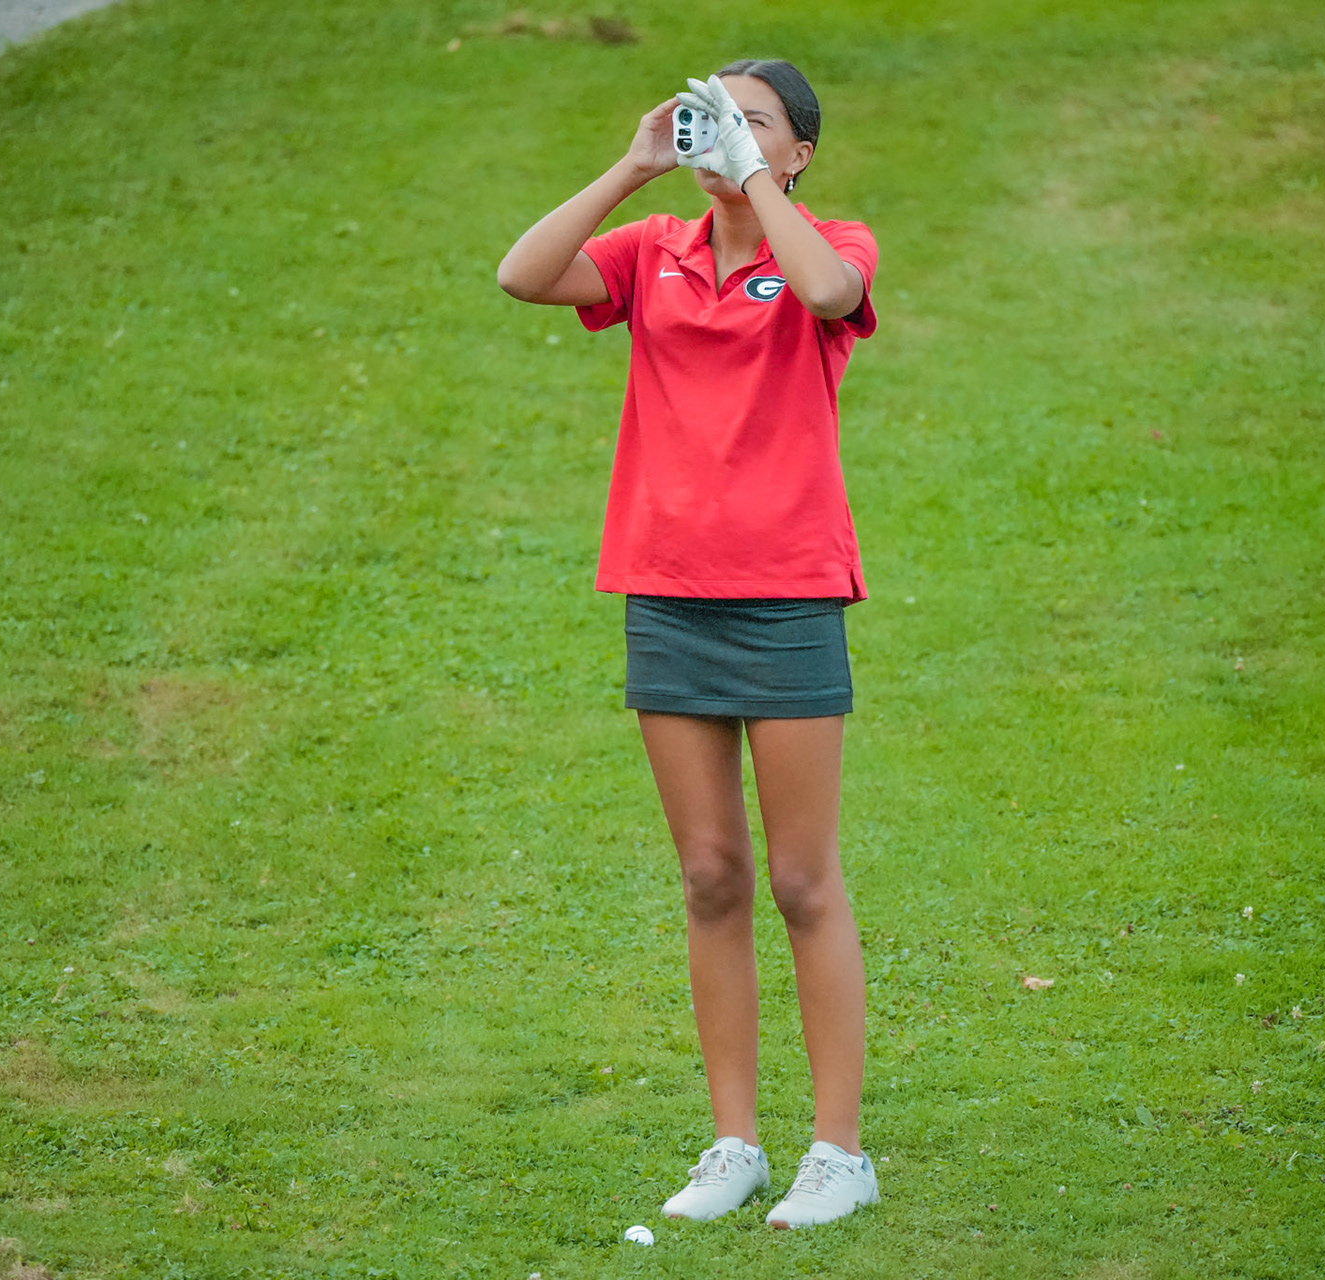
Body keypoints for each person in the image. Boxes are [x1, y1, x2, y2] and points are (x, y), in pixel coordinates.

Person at [497, 60, 880, 1230]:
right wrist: (634, 163)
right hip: (667, 594)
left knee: (802, 877)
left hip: (789, 597)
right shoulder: (651, 250)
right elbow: (523, 273)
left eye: (756, 123)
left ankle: (839, 1152)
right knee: (711, 874)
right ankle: (735, 1142)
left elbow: (826, 292)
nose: (730, 137)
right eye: (718, 119)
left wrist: (757, 182)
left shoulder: (831, 241)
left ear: (799, 153)